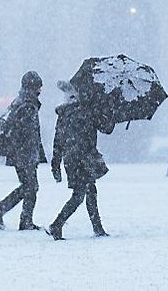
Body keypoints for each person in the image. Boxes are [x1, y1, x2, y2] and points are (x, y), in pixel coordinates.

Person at [45, 80, 109, 240]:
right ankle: (57, 225)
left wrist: (56, 164)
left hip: (71, 159)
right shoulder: (87, 111)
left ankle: (97, 228)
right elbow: (106, 127)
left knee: (89, 190)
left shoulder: (64, 114)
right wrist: (107, 111)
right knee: (80, 194)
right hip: (84, 158)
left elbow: (57, 140)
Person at [0, 71, 47, 231]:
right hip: (25, 154)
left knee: (28, 186)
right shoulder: (28, 105)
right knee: (31, 187)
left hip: (20, 153)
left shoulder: (19, 101)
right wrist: (30, 152)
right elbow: (27, 133)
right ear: (34, 86)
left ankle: (3, 211)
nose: (41, 90)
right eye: (39, 86)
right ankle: (17, 217)